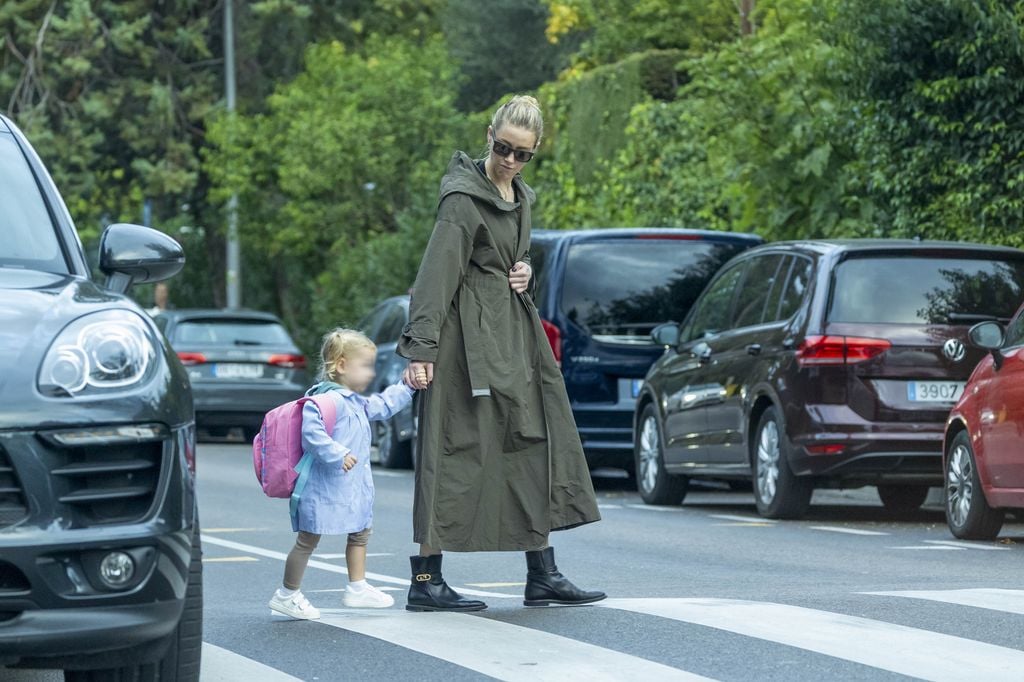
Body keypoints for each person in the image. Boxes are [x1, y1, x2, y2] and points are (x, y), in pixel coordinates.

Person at [398, 95, 605, 612]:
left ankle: (543, 574)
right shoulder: (462, 200)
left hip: (514, 339)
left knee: (531, 443)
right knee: (452, 452)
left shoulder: (521, 196)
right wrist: (421, 347)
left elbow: (509, 259)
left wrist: (525, 270)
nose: (510, 160)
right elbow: (435, 276)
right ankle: (425, 580)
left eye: (523, 154)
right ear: (489, 134)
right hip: (462, 345)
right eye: (504, 148)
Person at [269, 328, 415, 619]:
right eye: (366, 366)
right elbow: (311, 435)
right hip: (320, 489)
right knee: (307, 540)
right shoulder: (325, 400)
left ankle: (357, 587)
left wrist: (407, 385)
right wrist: (339, 454)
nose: (371, 373)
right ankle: (286, 594)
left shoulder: (354, 401)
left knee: (360, 532)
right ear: (341, 366)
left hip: (350, 489)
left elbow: (384, 405)